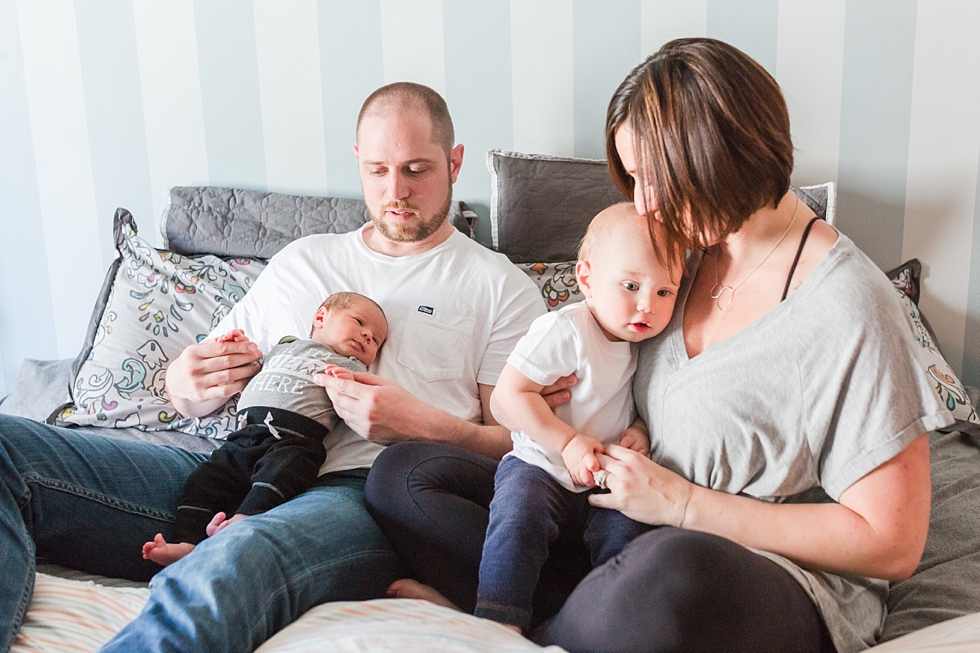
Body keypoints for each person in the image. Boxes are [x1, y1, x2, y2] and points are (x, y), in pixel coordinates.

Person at [365, 39, 953, 653]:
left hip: (744, 569)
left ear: (719, 154)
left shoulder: (848, 306)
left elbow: (892, 542)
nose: (642, 203)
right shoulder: (680, 259)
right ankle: (542, 614)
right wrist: (566, 401)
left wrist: (683, 504)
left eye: (652, 177)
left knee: (669, 577)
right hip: (617, 523)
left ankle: (512, 631)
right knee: (403, 477)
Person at [0, 81, 555, 653]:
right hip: (233, 464)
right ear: (358, 163)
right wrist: (182, 382)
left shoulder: (499, 288)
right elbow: (198, 394)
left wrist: (421, 425)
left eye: (416, 169)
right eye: (377, 170)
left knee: (229, 564)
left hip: (356, 496)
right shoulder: (305, 260)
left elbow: (528, 447)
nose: (396, 191)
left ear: (455, 161)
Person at [471, 202, 679, 633]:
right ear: (586, 279)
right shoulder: (564, 330)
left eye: (664, 292)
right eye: (630, 286)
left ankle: (603, 623)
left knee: (629, 537)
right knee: (517, 519)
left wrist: (638, 430)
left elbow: (638, 405)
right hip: (540, 466)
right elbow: (508, 398)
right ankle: (498, 622)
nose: (647, 307)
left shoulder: (647, 346)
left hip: (601, 478)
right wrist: (566, 442)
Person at [142, 291, 388, 566]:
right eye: (359, 322)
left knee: (287, 469)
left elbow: (362, 401)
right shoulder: (284, 346)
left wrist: (349, 383)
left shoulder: (350, 366)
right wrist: (235, 346)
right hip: (245, 435)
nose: (368, 336)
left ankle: (244, 519)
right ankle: (187, 541)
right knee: (205, 479)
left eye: (376, 340)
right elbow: (248, 365)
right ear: (321, 317)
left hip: (294, 438)